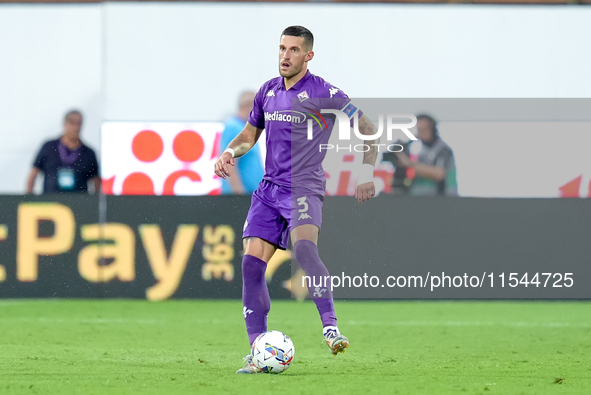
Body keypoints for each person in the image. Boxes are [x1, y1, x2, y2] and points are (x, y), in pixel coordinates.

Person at [214, 26, 379, 374]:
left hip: (303, 187)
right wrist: (231, 152)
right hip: (268, 190)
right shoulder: (268, 91)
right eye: (281, 48)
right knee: (249, 265)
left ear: (308, 55)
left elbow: (368, 129)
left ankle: (330, 327)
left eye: (293, 50)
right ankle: (257, 350)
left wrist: (366, 174)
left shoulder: (325, 92)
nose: (285, 56)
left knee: (304, 250)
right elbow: (249, 133)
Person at [26, 110, 100, 194]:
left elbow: (96, 180)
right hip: (51, 202)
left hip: (78, 203)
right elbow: (34, 172)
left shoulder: (89, 153)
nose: (76, 127)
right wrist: (29, 197)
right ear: (65, 123)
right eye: (72, 123)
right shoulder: (49, 147)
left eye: (79, 123)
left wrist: (94, 202)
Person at [394, 114, 457, 196]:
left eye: (423, 130)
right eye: (418, 130)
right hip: (421, 196)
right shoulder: (420, 149)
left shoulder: (443, 150)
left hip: (442, 197)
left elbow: (439, 174)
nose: (420, 134)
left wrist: (409, 163)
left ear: (433, 129)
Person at [220, 91, 264, 194]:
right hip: (240, 197)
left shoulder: (246, 129)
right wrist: (239, 195)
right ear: (246, 105)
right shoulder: (235, 128)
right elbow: (229, 164)